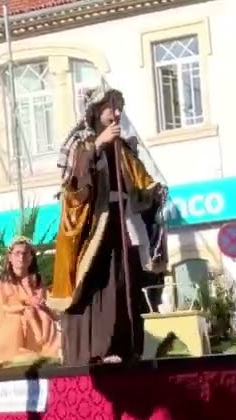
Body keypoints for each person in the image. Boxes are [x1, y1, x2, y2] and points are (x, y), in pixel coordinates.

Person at [52, 85, 167, 365]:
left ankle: (125, 344)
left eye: (119, 108)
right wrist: (97, 146)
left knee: (123, 279)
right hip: (92, 227)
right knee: (94, 280)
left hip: (119, 222)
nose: (116, 113)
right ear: (95, 111)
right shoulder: (81, 142)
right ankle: (93, 347)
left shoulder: (124, 147)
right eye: (110, 108)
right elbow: (74, 184)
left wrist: (153, 192)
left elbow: (140, 183)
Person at [0, 238, 62, 371]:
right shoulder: (4, 279)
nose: (21, 257)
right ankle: (19, 351)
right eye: (17, 253)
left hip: (37, 317)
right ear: (10, 257)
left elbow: (43, 301)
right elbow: (3, 306)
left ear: (31, 258)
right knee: (18, 319)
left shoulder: (36, 279)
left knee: (46, 318)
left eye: (25, 254)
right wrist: (24, 305)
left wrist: (39, 304)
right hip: (10, 318)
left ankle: (44, 346)